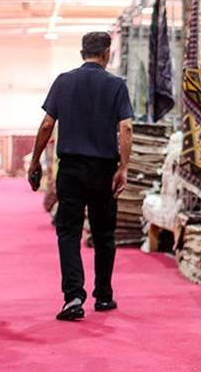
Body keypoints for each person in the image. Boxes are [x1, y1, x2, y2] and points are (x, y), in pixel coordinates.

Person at [28, 31, 133, 321]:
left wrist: (35, 161)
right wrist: (123, 168)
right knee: (103, 234)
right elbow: (125, 128)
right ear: (107, 53)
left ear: (81, 52)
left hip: (71, 169)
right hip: (103, 170)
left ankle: (73, 297)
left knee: (69, 233)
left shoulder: (63, 81)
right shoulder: (116, 85)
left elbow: (47, 123)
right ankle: (104, 296)